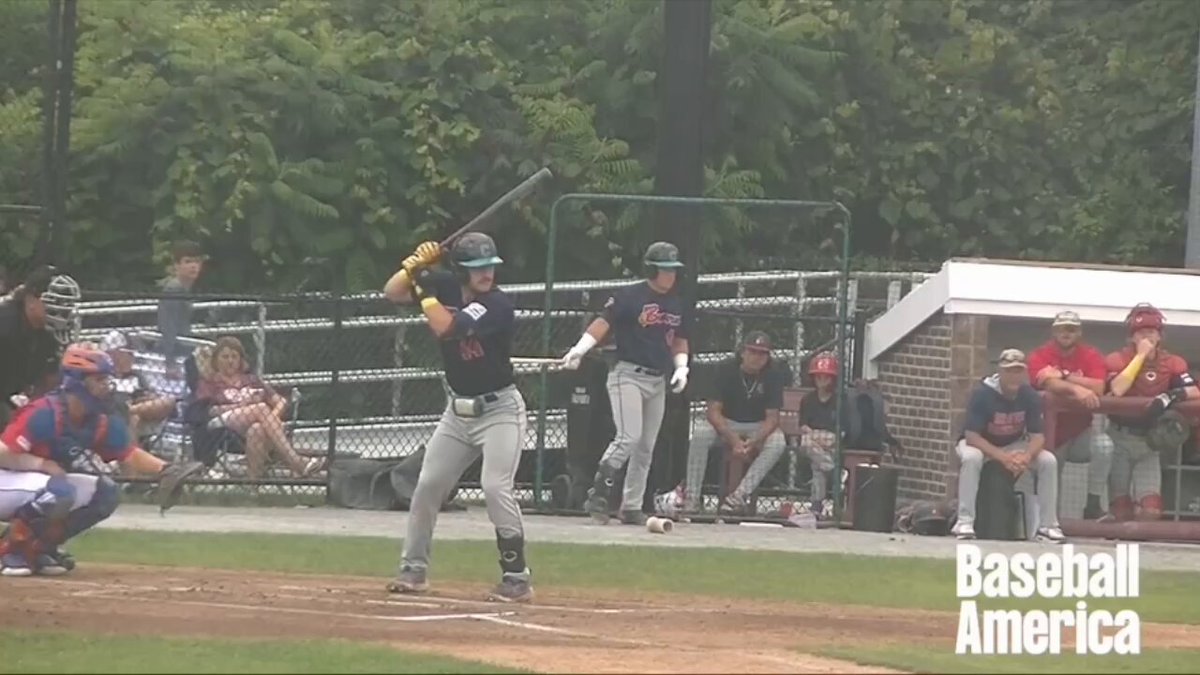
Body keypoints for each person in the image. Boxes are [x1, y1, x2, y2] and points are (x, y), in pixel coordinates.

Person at [381, 233, 533, 603]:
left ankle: (517, 576)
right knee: (429, 484)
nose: (485, 274)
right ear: (461, 271)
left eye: (489, 267)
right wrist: (413, 263)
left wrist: (423, 285)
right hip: (458, 412)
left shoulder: (496, 305)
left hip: (499, 410)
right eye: (477, 269)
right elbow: (392, 292)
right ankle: (413, 569)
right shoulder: (447, 285)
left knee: (496, 487)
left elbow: (445, 328)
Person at [0, 346, 175, 576]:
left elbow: (129, 453)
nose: (106, 386)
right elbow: (3, 452)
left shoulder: (97, 420)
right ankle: (9, 550)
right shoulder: (44, 412)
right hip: (7, 481)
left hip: (41, 486)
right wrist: (41, 465)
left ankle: (38, 547)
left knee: (105, 493)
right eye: (99, 379)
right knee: (60, 491)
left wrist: (166, 469)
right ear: (77, 382)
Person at [561, 242, 691, 526]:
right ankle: (599, 492)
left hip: (657, 379)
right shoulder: (631, 296)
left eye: (673, 270)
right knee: (628, 437)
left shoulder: (675, 302)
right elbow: (603, 323)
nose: (670, 276)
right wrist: (580, 349)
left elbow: (680, 338)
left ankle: (631, 506)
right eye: (665, 270)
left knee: (646, 446)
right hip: (628, 375)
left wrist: (682, 367)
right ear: (651, 269)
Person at [655, 331, 789, 516]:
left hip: (756, 426)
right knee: (701, 433)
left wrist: (755, 440)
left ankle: (738, 497)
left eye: (763, 353)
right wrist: (734, 440)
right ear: (742, 352)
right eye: (753, 351)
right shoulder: (726, 368)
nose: (757, 357)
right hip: (727, 423)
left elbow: (772, 418)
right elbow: (713, 412)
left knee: (778, 442)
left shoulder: (773, 373)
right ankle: (692, 499)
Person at [952, 349, 1065, 543]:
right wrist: (1003, 458)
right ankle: (964, 521)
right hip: (980, 444)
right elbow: (971, 436)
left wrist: (1026, 456)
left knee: (1048, 460)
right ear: (1000, 372)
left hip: (1013, 445)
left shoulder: (1029, 395)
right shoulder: (982, 394)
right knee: (972, 458)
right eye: (1009, 371)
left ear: (1024, 373)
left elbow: (1038, 436)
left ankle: (1048, 526)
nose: (1014, 376)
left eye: (1018, 371)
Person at [1103, 303, 1198, 521]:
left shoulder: (1171, 362)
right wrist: (1140, 356)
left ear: (1160, 335)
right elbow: (1117, 389)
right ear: (1132, 337)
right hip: (1120, 437)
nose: (1147, 336)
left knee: (1151, 508)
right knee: (1121, 508)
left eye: (1152, 332)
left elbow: (1194, 391)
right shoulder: (1118, 358)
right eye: (1142, 332)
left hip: (1150, 440)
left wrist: (1170, 396)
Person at [1025, 310, 1114, 520]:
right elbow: (1047, 382)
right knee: (1050, 485)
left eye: (1071, 329)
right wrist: (1077, 389)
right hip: (1048, 435)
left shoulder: (1090, 354)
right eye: (1062, 329)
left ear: (1079, 333)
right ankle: (1048, 526)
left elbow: (1099, 387)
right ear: (1054, 331)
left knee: (1105, 446)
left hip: (1080, 431)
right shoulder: (1040, 354)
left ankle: (1092, 504)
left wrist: (1065, 376)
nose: (1066, 333)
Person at [195, 336, 320, 479]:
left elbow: (281, 401)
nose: (230, 361)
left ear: (241, 359)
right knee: (260, 408)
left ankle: (252, 486)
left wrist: (271, 418)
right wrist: (243, 406)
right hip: (223, 425)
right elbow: (208, 410)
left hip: (255, 424)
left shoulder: (251, 380)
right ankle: (296, 461)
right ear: (216, 359)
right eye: (225, 356)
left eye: (234, 356)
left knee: (257, 429)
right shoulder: (211, 381)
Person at [0, 266, 81, 427]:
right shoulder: (6, 324)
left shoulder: (49, 331)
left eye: (66, 304)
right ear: (30, 300)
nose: (62, 310)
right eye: (55, 302)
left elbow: (49, 381)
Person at [798, 351, 842, 519]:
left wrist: (818, 437)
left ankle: (816, 504)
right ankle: (835, 471)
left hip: (833, 438)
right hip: (813, 439)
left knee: (816, 463)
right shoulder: (808, 399)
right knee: (807, 444)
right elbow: (803, 425)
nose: (822, 381)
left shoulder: (839, 400)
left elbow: (839, 429)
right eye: (818, 377)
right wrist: (814, 435)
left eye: (826, 377)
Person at [157, 240, 205, 368]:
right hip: (175, 352)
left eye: (196, 261)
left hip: (184, 349)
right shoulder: (173, 289)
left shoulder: (186, 288)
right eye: (188, 261)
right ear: (177, 265)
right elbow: (168, 325)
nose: (193, 266)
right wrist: (170, 362)